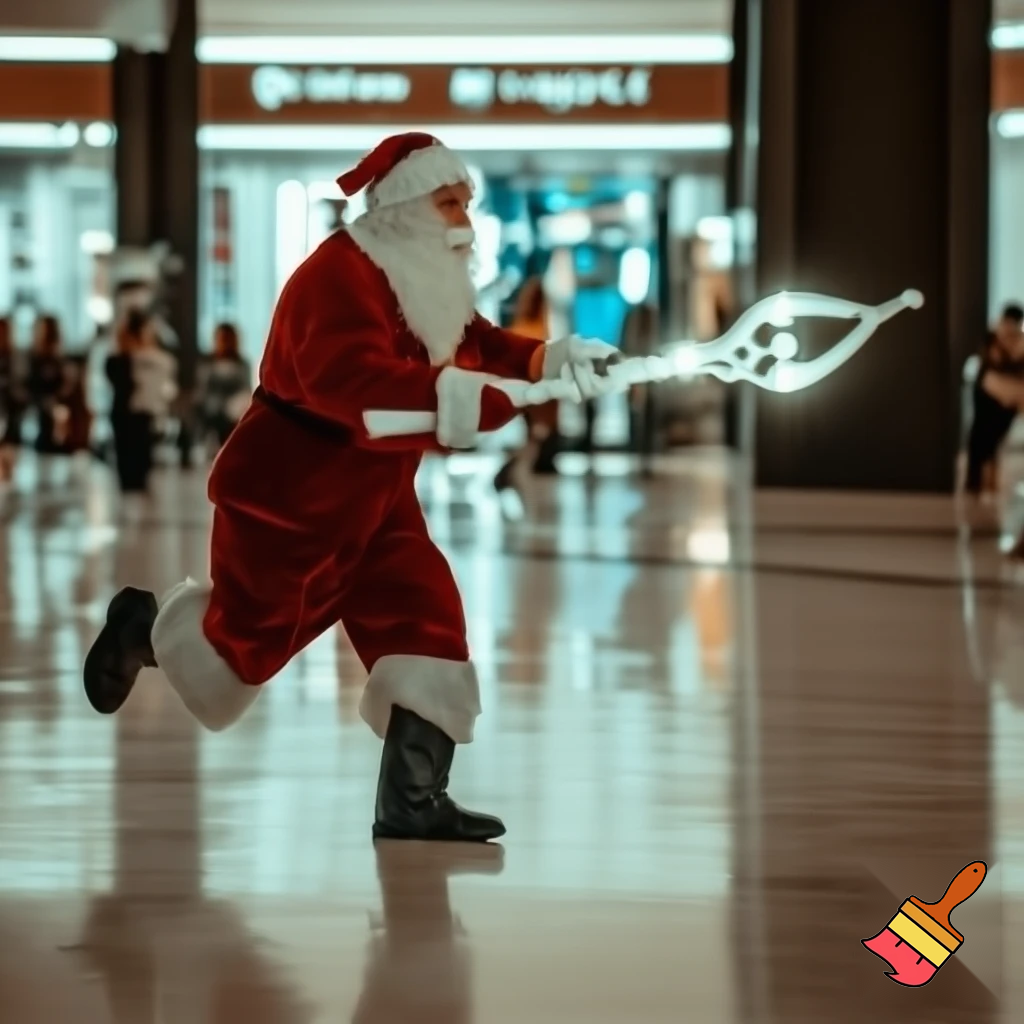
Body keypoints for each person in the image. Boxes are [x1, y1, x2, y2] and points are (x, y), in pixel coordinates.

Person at [82, 132, 618, 843]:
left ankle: (412, 801)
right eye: (448, 202)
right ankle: (145, 626)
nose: (463, 218)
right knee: (243, 645)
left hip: (377, 495)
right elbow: (352, 385)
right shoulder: (334, 278)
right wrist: (475, 402)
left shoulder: (422, 272)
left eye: (466, 203)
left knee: (426, 620)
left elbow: (475, 340)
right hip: (290, 493)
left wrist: (554, 358)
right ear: (402, 207)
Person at [493, 277, 558, 490]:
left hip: (516, 391)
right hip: (535, 390)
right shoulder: (540, 332)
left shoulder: (517, 328)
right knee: (536, 434)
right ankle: (513, 469)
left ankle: (513, 468)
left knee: (529, 435)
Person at [964, 303, 1024, 497]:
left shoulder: (1016, 341)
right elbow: (991, 361)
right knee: (980, 438)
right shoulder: (993, 337)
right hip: (988, 392)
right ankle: (976, 485)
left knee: (993, 441)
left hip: (1004, 396)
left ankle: (987, 487)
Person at [199, 322, 252, 452]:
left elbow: (245, 388)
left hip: (233, 412)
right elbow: (202, 389)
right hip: (212, 411)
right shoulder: (207, 362)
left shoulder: (242, 363)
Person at [27, 315, 70, 454]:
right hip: (36, 413)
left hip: (56, 415)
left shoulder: (59, 360)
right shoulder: (32, 359)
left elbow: (64, 387)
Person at [0, 316, 26, 483]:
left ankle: (9, 481)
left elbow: (20, 384)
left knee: (10, 447)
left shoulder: (15, 356)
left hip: (11, 409)